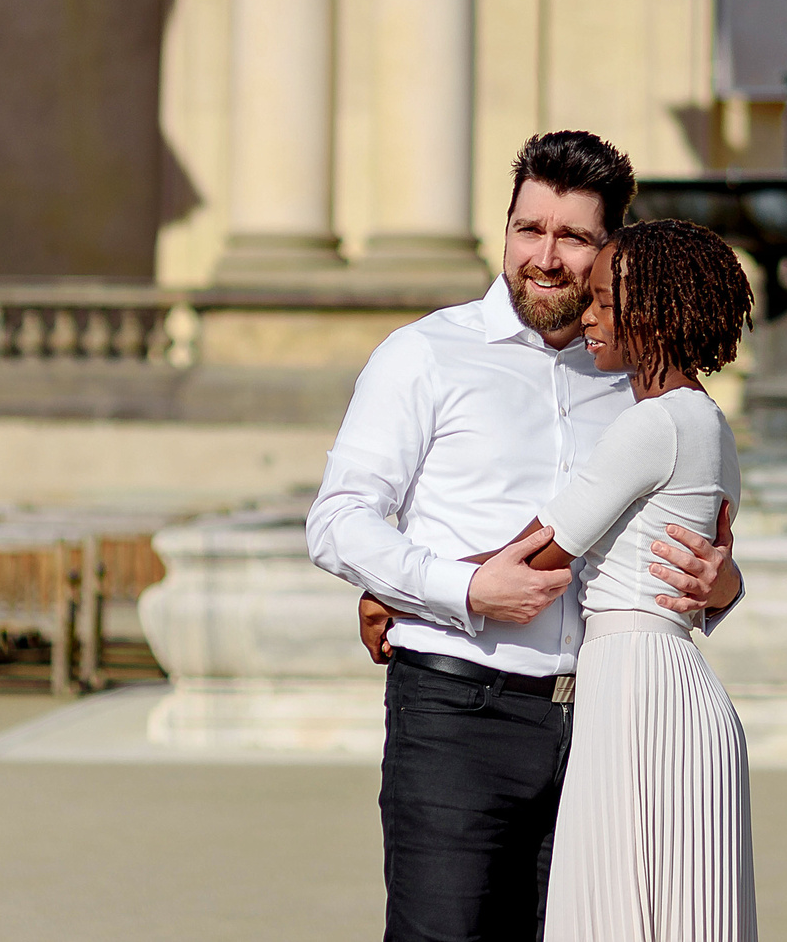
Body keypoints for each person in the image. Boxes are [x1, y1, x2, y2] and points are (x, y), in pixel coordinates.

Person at [307, 131, 745, 942]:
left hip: (605, 732)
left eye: (573, 236)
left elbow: (696, 537)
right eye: (527, 228)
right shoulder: (423, 355)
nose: (545, 255)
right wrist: (456, 588)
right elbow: (336, 520)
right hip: (456, 716)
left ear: (611, 249)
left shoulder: (640, 376)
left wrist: (723, 582)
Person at [529, 218, 756, 942]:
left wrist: (403, 593)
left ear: (653, 308)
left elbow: (540, 553)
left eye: (602, 299)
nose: (586, 314)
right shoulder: (707, 421)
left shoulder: (652, 424)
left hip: (638, 692)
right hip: (668, 684)